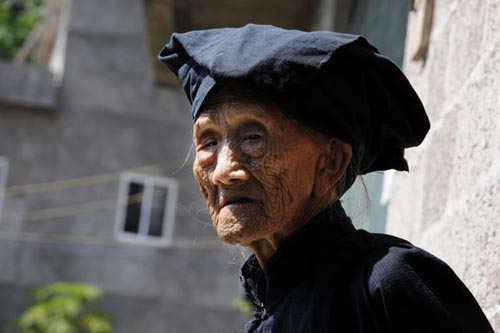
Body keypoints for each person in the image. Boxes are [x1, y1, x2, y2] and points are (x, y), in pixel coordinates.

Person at [158, 24, 493, 332]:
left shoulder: (384, 285)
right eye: (209, 142)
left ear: (330, 162)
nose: (223, 171)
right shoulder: (266, 315)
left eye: (253, 138)